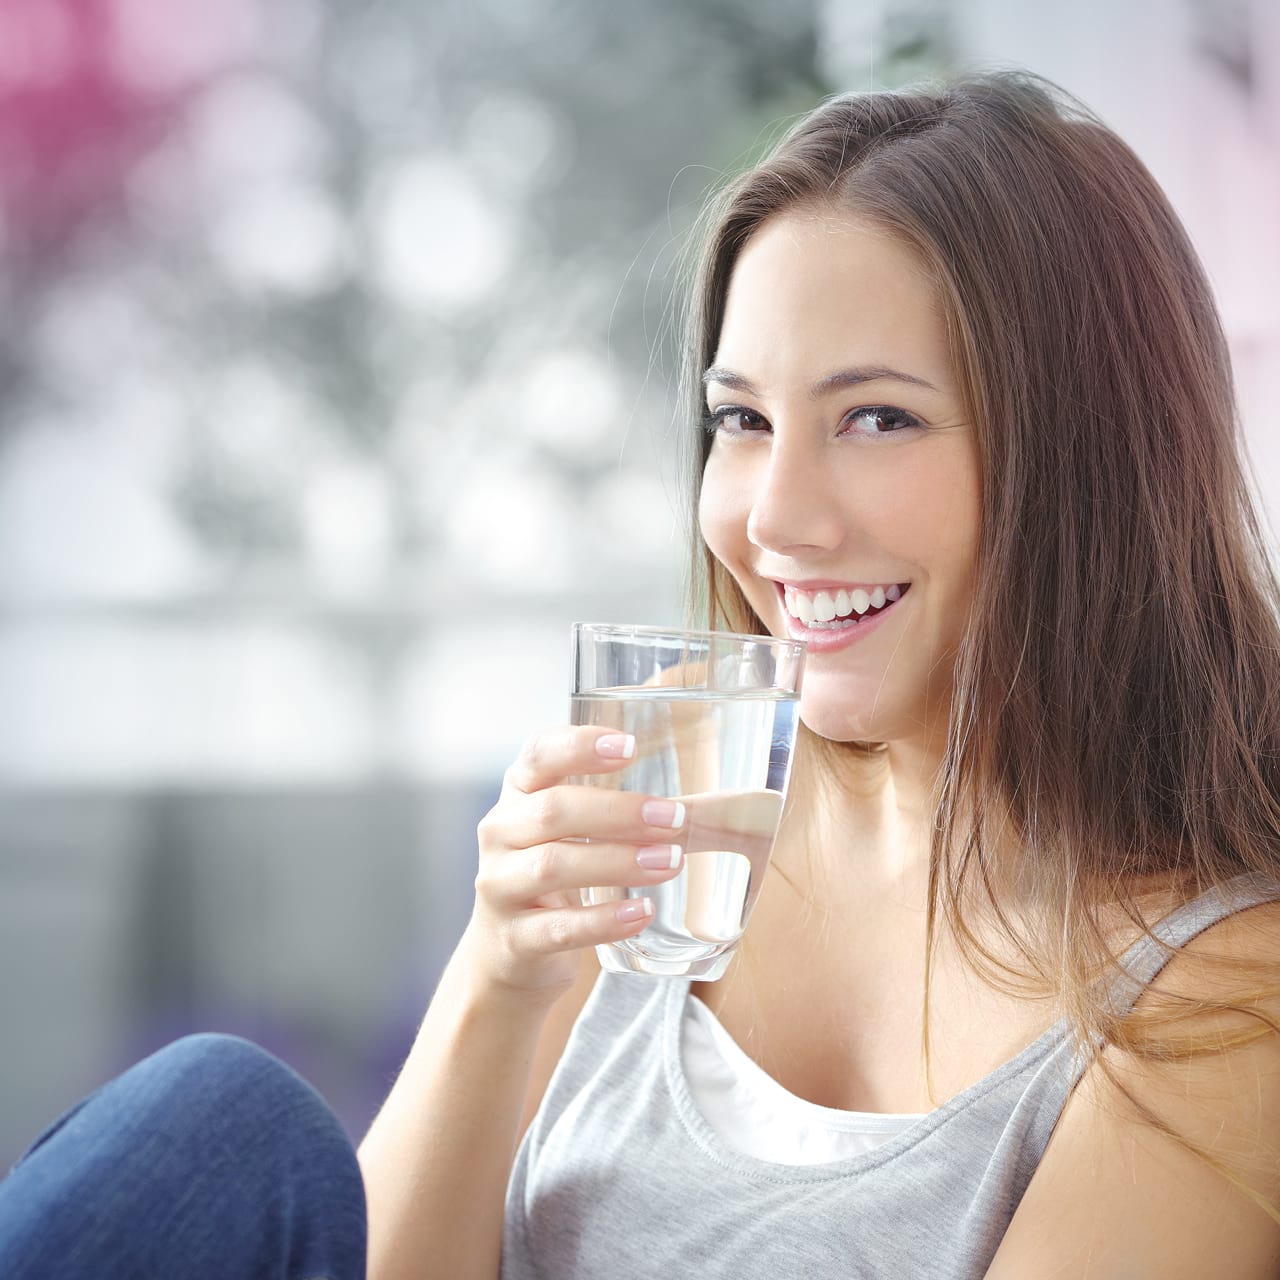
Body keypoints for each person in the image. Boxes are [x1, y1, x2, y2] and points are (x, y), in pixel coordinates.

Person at [3, 69, 1279, 1279]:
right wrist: (500, 976)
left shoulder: (1220, 994)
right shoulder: (680, 822)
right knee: (218, 1120)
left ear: (1087, 462)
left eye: (875, 417)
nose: (774, 515)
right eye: (742, 420)